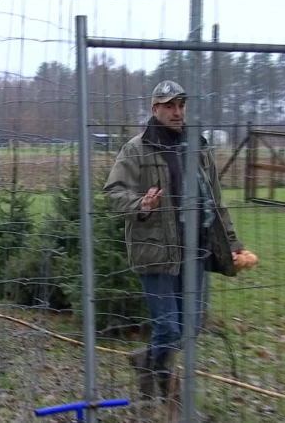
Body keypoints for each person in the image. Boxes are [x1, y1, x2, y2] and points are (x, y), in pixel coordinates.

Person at [103, 80, 245, 404]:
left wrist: (233, 242)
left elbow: (216, 201)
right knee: (167, 328)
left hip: (196, 249)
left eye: (181, 105)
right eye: (169, 106)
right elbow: (113, 192)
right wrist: (141, 203)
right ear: (155, 110)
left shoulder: (199, 147)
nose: (177, 112)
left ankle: (150, 366)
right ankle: (160, 382)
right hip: (156, 249)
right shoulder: (136, 149)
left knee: (191, 327)